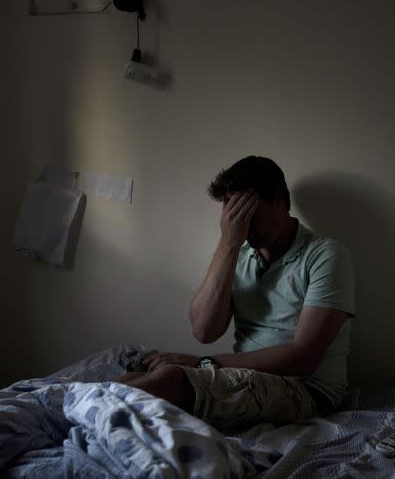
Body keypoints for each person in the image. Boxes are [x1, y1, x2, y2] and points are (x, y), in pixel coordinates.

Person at [120, 156, 355, 431]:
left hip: (307, 389)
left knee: (171, 378)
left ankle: (81, 407)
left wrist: (202, 363)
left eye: (248, 213)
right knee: (143, 372)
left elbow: (304, 357)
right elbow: (204, 331)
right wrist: (228, 244)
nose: (241, 226)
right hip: (243, 375)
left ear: (278, 201)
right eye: (232, 215)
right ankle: (80, 403)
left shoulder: (326, 255)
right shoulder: (239, 255)